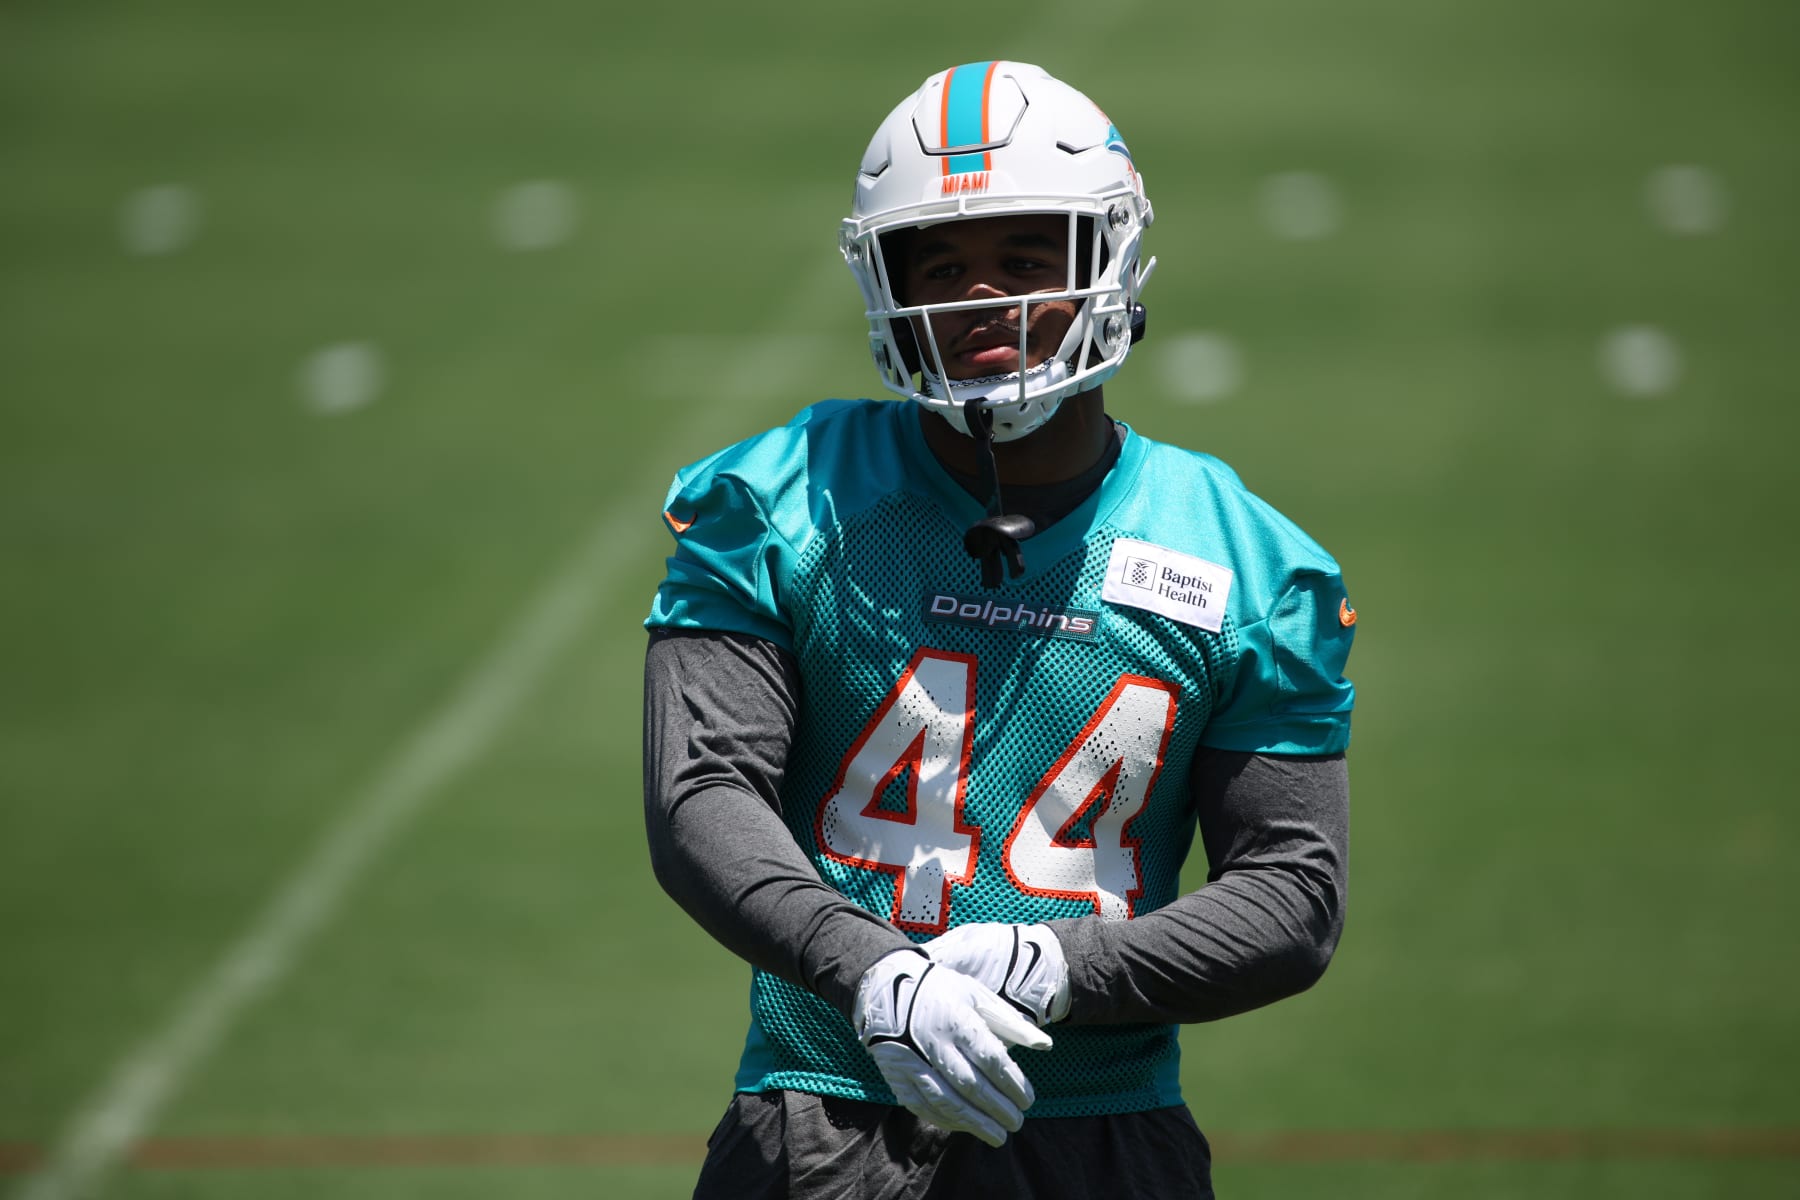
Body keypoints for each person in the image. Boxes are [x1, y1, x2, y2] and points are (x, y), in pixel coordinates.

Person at [643, 60, 1355, 1199]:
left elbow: (1293, 892)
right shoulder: (776, 502)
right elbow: (702, 793)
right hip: (820, 1125)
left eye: (1027, 258)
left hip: (1102, 1138)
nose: (983, 296)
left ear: (1107, 265)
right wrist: (874, 977)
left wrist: (1057, 964)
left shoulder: (1249, 564)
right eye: (943, 263)